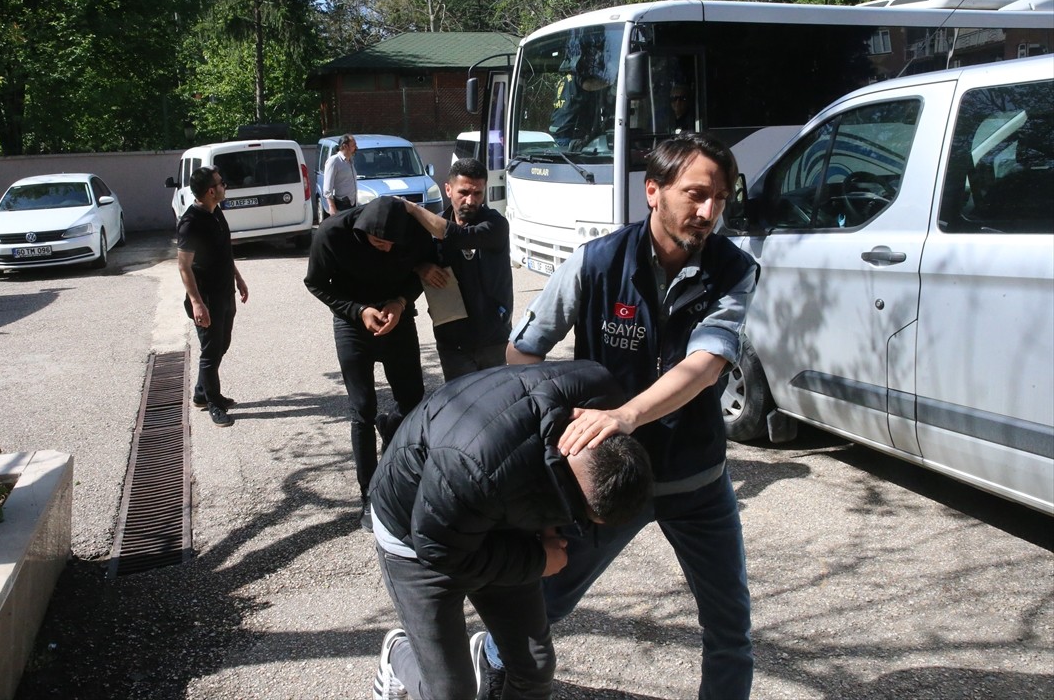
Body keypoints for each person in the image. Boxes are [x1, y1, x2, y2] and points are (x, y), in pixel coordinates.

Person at [479, 133, 759, 700]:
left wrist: (626, 414)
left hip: (697, 481)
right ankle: (489, 661)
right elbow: (523, 351)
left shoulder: (734, 269)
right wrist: (559, 433)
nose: (708, 212)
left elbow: (706, 366)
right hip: (606, 479)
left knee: (730, 628)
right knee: (543, 600)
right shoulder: (597, 262)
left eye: (720, 198)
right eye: (695, 194)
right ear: (653, 191)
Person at [369, 361, 654, 700]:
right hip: (417, 534)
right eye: (584, 517)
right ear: (569, 490)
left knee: (534, 666)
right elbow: (440, 552)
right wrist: (537, 560)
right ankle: (397, 655)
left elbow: (542, 457)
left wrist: (547, 532)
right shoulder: (469, 467)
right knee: (449, 692)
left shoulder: (602, 401)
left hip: (493, 505)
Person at [304, 197, 430, 531]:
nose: (387, 249)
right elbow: (315, 283)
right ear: (362, 232)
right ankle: (369, 495)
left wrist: (401, 301)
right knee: (362, 410)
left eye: (393, 243)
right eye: (378, 242)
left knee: (413, 403)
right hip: (352, 323)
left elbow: (425, 270)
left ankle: (408, 478)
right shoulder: (331, 233)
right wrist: (358, 311)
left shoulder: (414, 232)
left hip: (398, 318)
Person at [402, 158, 513, 381]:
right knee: (460, 404)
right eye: (463, 192)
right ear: (448, 188)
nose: (471, 201)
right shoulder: (433, 226)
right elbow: (407, 257)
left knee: (495, 403)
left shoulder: (495, 224)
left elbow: (457, 236)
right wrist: (421, 267)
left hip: (492, 337)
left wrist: (413, 208)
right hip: (452, 340)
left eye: (478, 194)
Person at [176, 166, 249, 428]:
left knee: (221, 345)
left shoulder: (216, 212)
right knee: (210, 352)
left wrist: (238, 278)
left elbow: (223, 252)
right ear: (210, 191)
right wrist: (197, 302)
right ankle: (213, 403)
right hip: (206, 298)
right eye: (221, 183)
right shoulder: (190, 223)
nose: (224, 186)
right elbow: (184, 267)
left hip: (225, 292)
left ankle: (200, 393)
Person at [322, 133, 359, 216]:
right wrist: (332, 207)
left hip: (352, 204)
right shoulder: (334, 161)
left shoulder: (350, 161)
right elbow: (327, 188)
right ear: (345, 146)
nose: (356, 148)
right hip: (341, 206)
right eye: (353, 145)